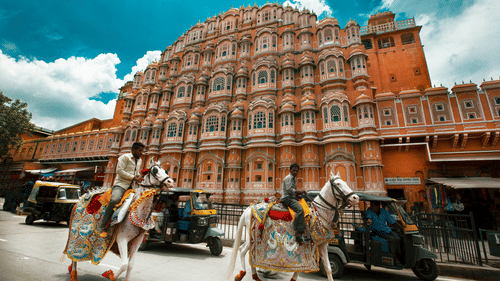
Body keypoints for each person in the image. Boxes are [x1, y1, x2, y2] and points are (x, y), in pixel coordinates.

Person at [99, 142, 145, 238]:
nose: (141, 153)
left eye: (142, 151)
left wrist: (138, 179)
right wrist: (133, 177)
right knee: (115, 200)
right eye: (140, 150)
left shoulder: (139, 160)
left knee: (141, 202)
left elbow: (136, 174)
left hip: (133, 187)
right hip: (121, 185)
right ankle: (103, 226)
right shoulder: (124, 157)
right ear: (134, 150)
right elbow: (119, 171)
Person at [280, 163, 309, 243]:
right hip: (287, 198)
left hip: (291, 197)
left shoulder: (293, 178)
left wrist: (299, 195)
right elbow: (290, 190)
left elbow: (293, 192)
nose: (295, 172)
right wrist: (300, 191)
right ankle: (297, 232)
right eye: (294, 170)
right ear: (290, 170)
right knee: (300, 209)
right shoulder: (288, 178)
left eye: (297, 171)